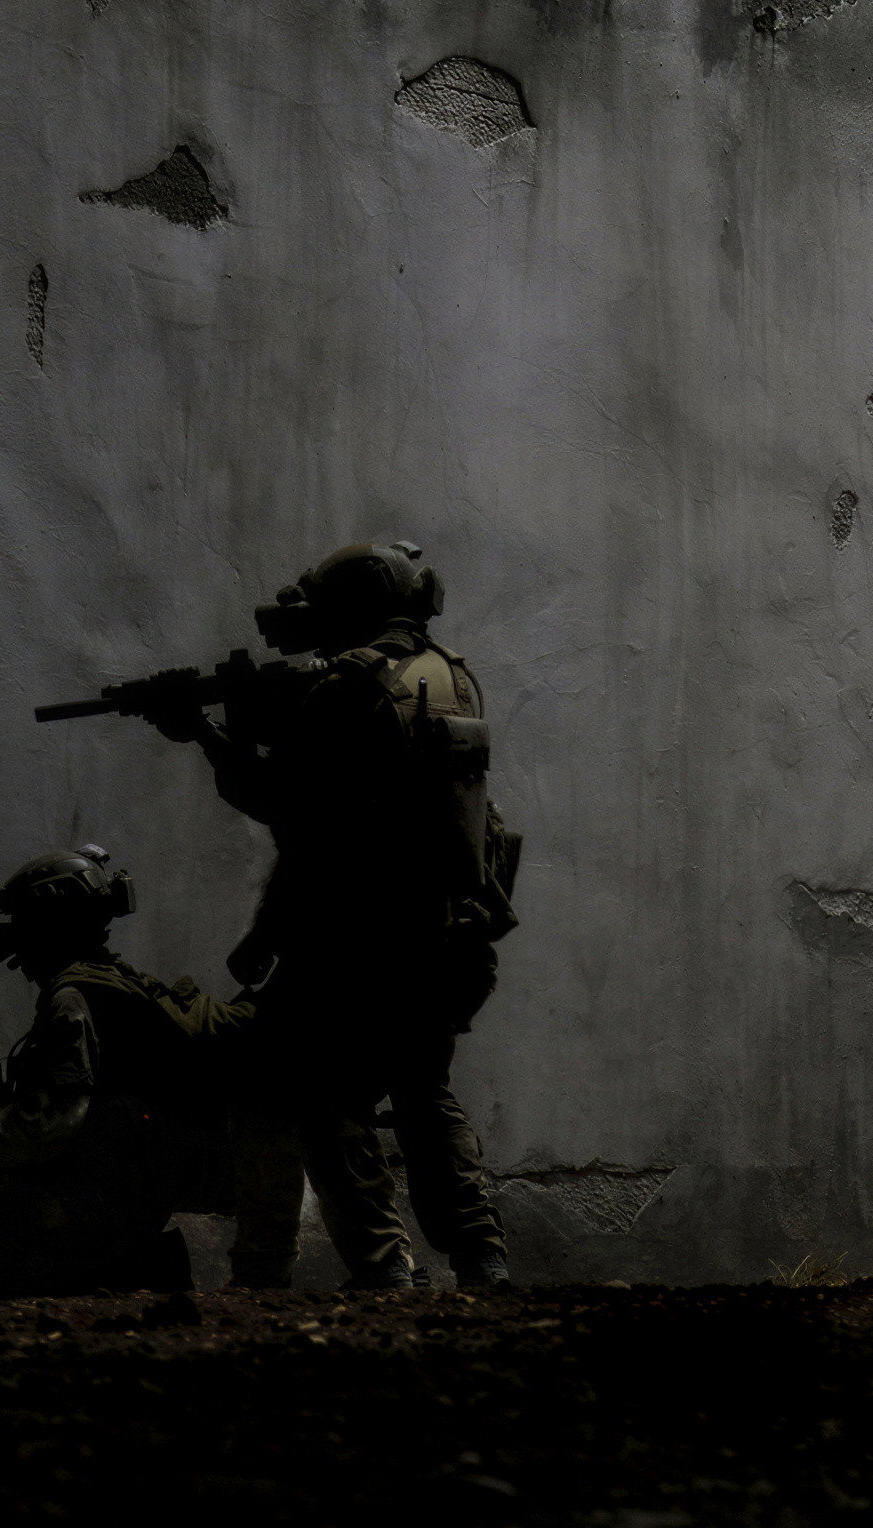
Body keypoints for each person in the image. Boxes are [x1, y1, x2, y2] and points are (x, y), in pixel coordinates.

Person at [152, 540, 520, 1291]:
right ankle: (482, 1253)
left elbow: (286, 806)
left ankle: (384, 1266)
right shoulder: (450, 673)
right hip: (446, 928)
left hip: (357, 938)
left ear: (350, 608)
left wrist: (210, 733)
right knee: (423, 1090)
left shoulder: (347, 686)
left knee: (327, 1100)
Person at [0, 845, 299, 1298]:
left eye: (24, 923)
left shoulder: (74, 999)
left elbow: (48, 1127)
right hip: (146, 1187)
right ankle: (129, 1266)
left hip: (104, 1196)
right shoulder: (122, 985)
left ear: (49, 925)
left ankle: (118, 1272)